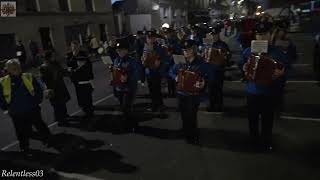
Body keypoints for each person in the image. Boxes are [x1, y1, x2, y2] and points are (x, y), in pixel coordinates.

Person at [241, 21, 288, 151]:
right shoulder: (248, 51)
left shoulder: (277, 52)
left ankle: (266, 142)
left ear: (270, 35)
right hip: (252, 91)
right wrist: (244, 68)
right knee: (252, 119)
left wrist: (281, 72)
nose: (261, 37)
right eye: (258, 34)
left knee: (267, 120)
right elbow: (243, 66)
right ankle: (253, 141)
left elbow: (286, 68)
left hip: (269, 92)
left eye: (264, 34)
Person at [0, 59, 51, 155]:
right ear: (8, 69)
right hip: (16, 113)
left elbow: (38, 91)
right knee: (21, 131)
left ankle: (47, 139)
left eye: (17, 66)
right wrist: (6, 108)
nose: (16, 68)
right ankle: (24, 147)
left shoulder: (28, 76)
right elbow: (0, 97)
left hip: (32, 109)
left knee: (40, 125)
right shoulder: (3, 82)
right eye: (12, 67)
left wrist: (36, 102)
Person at [169, 40, 213, 145]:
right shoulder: (181, 62)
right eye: (184, 50)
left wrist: (204, 82)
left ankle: (193, 135)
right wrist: (175, 77)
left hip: (194, 95)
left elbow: (211, 75)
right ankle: (186, 133)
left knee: (191, 116)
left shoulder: (201, 63)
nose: (186, 52)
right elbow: (170, 71)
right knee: (184, 115)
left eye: (188, 50)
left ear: (193, 50)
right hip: (181, 94)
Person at [111, 38, 141, 132]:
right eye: (118, 50)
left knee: (127, 108)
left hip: (129, 88)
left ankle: (131, 125)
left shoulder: (131, 61)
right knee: (123, 108)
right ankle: (128, 123)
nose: (119, 52)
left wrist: (128, 78)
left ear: (126, 50)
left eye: (121, 50)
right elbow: (115, 72)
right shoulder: (116, 60)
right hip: (119, 88)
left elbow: (136, 75)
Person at [40, 51, 71, 126]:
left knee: (62, 101)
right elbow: (43, 79)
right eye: (52, 56)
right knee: (57, 104)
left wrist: (67, 72)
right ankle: (60, 120)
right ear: (49, 57)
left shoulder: (55, 63)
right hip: (53, 88)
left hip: (60, 85)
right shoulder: (44, 67)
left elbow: (61, 71)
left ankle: (64, 114)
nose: (54, 57)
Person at [66, 41, 94, 123]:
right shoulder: (70, 55)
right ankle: (83, 107)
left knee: (87, 94)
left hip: (85, 78)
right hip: (76, 79)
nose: (74, 48)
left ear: (79, 46)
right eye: (73, 47)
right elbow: (68, 64)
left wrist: (90, 77)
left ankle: (90, 111)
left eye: (76, 47)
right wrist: (73, 56)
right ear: (71, 47)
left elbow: (88, 65)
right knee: (80, 94)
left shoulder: (83, 54)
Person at [142, 31, 169, 112]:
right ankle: (154, 105)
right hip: (148, 71)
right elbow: (143, 59)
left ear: (155, 38)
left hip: (156, 71)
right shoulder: (145, 47)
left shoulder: (160, 47)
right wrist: (143, 60)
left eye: (152, 38)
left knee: (157, 89)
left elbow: (164, 57)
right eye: (148, 38)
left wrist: (160, 61)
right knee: (151, 90)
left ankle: (159, 105)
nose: (150, 40)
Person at [207, 27, 232, 112]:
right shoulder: (208, 44)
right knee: (210, 90)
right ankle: (211, 105)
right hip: (209, 70)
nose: (214, 36)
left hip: (218, 70)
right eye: (213, 35)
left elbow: (228, 56)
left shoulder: (223, 44)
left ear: (218, 35)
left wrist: (224, 55)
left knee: (218, 90)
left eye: (216, 35)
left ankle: (219, 106)